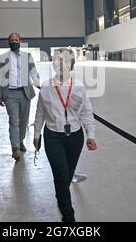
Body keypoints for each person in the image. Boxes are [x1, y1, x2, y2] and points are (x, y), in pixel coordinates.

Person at [33, 48, 97, 222]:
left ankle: (62, 198)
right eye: (56, 60)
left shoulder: (79, 87)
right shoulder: (46, 87)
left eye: (64, 60)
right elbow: (40, 113)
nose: (60, 63)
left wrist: (90, 135)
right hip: (53, 136)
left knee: (66, 176)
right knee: (61, 177)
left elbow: (86, 112)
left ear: (71, 64)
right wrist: (37, 134)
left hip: (75, 137)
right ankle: (68, 217)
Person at [0, 33, 40, 161]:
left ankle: (20, 141)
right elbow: (0, 78)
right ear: (8, 42)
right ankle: (15, 148)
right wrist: (0, 95)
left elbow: (33, 71)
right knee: (14, 121)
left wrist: (38, 83)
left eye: (16, 39)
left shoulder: (27, 56)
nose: (14, 41)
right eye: (12, 40)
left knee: (23, 121)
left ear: (20, 41)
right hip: (10, 94)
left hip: (25, 92)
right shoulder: (3, 58)